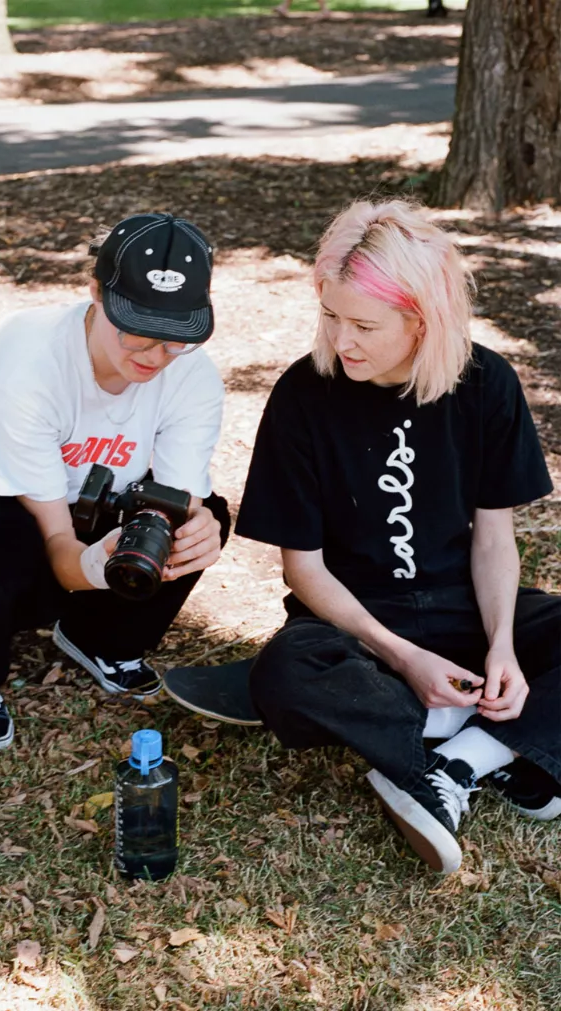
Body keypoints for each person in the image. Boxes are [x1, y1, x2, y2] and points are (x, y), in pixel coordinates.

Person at [234, 199, 560, 874]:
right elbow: (304, 569)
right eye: (330, 315)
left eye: (363, 324)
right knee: (286, 673)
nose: (341, 339)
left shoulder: (485, 383)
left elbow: (494, 537)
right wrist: (403, 656)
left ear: (421, 319)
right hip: (355, 627)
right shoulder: (304, 394)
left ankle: (460, 760)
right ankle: (487, 742)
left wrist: (502, 645)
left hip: (463, 609)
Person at [0, 213, 230, 752]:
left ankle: (101, 639)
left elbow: (178, 502)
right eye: (137, 332)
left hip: (84, 496)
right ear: (94, 292)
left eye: (176, 339)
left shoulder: (194, 376)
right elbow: (61, 549)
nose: (155, 357)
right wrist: (92, 567)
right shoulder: (26, 354)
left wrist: (184, 531)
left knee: (204, 522)